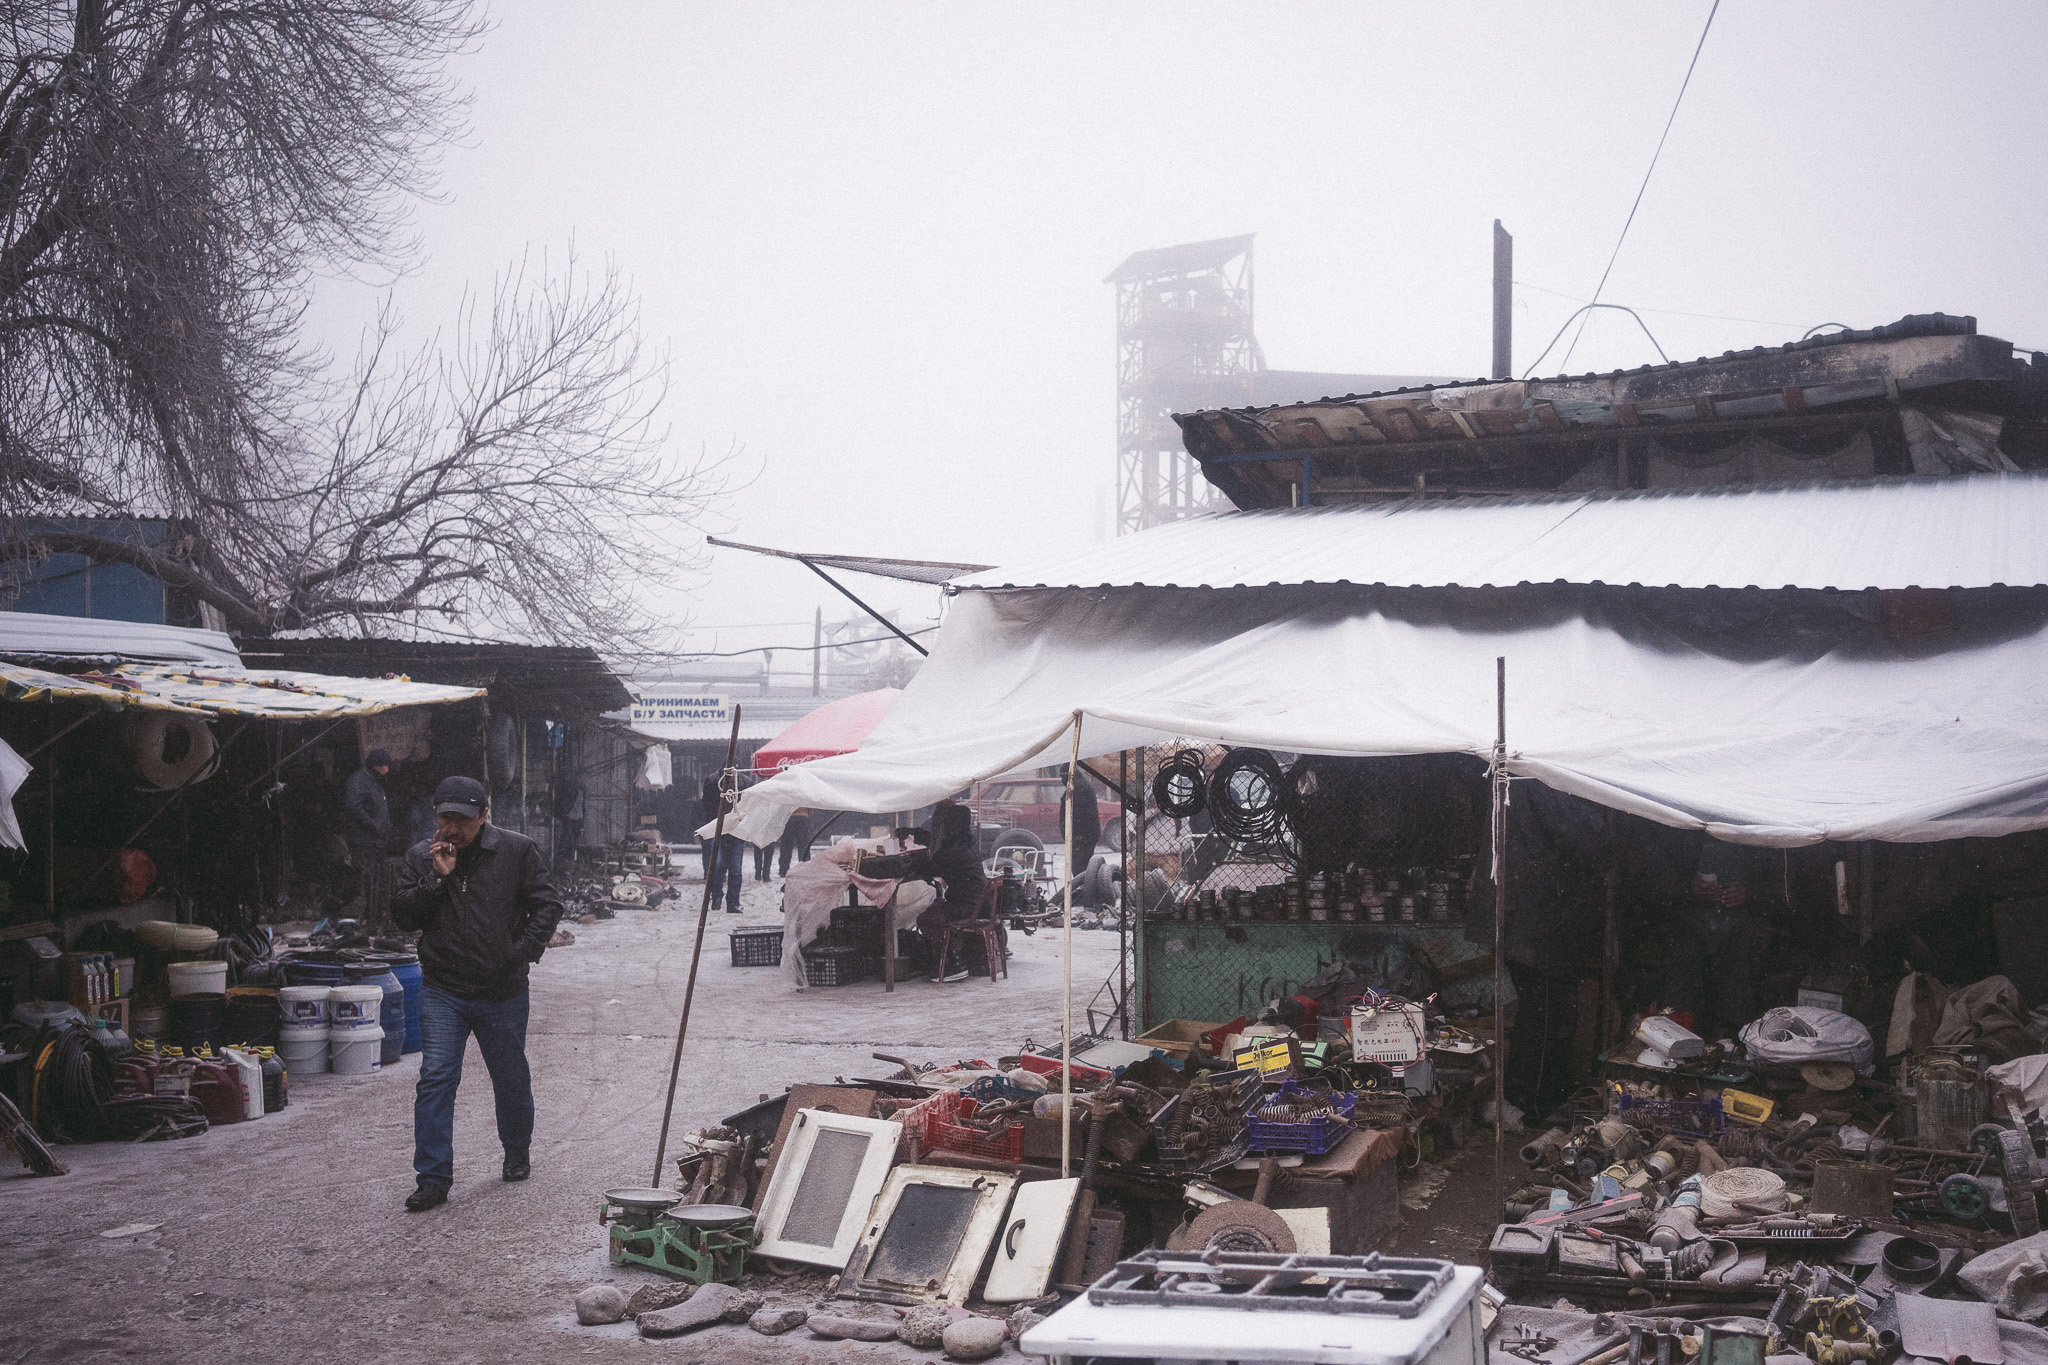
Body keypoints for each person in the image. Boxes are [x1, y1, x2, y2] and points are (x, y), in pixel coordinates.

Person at [390, 775, 565, 1213]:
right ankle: (432, 1178)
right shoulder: (419, 857)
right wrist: (436, 879)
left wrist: (519, 953)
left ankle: (516, 1149)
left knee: (509, 1076)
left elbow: (547, 905)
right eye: (445, 819)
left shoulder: (516, 850)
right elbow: (403, 916)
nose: (452, 829)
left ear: (483, 816)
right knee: (436, 1078)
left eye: (462, 820)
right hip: (442, 989)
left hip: (501, 990)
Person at [860, 801, 987, 982]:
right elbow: (937, 843)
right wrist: (914, 833)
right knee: (934, 909)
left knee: (926, 919)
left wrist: (912, 861)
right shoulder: (967, 841)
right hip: (977, 902)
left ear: (950, 825)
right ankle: (947, 958)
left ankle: (951, 964)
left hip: (965, 905)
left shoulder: (953, 850)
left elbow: (931, 866)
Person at [342, 748, 394, 924]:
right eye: (384, 766)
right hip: (365, 841)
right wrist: (373, 825)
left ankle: (378, 914)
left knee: (379, 878)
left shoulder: (374, 781)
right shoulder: (359, 781)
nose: (387, 770)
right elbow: (353, 808)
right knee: (369, 878)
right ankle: (369, 916)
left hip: (377, 840)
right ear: (375, 766)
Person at [778, 808, 814, 876]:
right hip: (803, 816)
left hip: (789, 817)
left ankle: (783, 870)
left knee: (786, 845)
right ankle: (804, 868)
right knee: (803, 846)